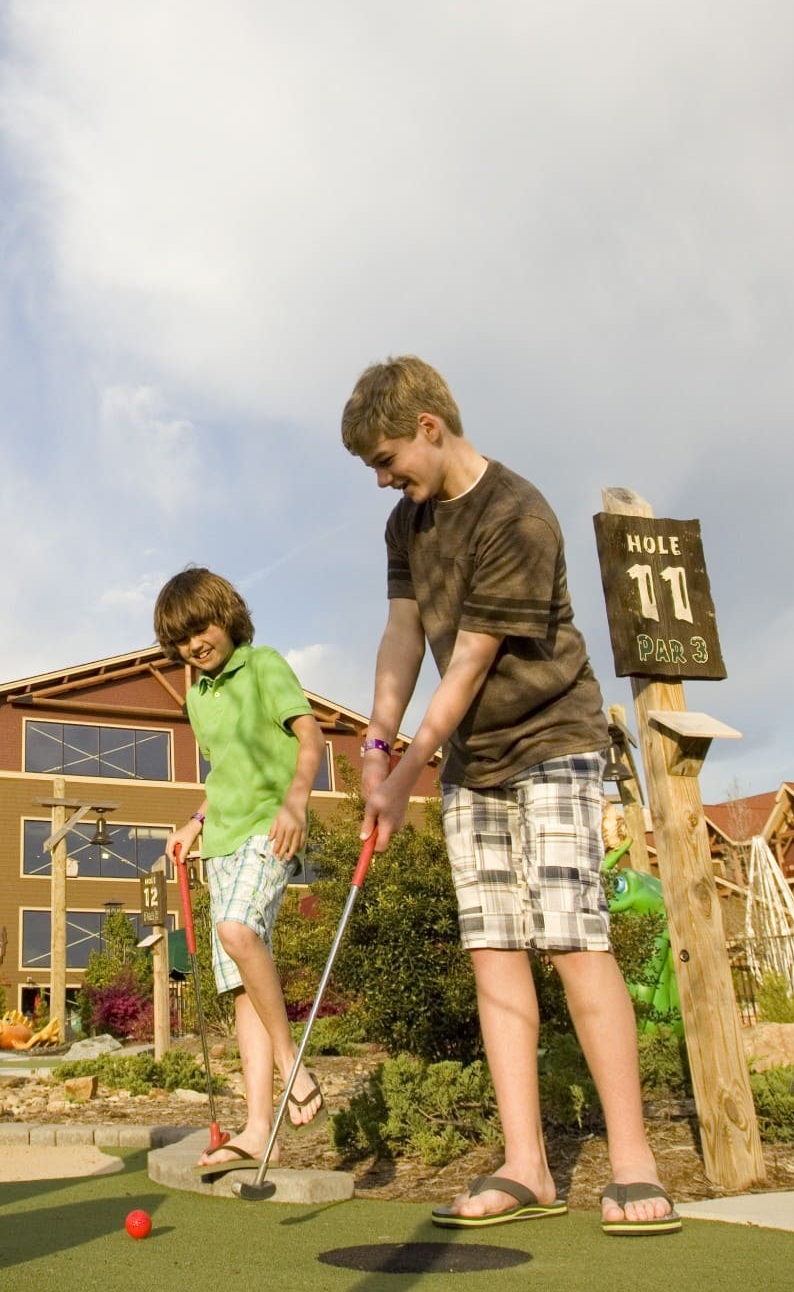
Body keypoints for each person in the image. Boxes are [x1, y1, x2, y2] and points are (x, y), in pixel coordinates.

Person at [344, 358, 677, 1233]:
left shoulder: (518, 513)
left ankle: (634, 1160)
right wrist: (377, 746)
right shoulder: (403, 523)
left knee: (570, 937)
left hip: (553, 742)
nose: (384, 479)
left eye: (386, 458)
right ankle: (527, 1163)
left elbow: (473, 657)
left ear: (428, 425)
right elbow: (404, 634)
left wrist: (411, 763)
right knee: (493, 946)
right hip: (473, 762)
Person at [156, 568, 328, 1175]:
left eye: (199, 628)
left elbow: (312, 741)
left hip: (270, 830)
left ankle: (290, 1061)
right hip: (221, 842)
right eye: (180, 640)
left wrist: (296, 802)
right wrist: (194, 823)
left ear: (224, 615)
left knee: (236, 931)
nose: (193, 645)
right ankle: (260, 1131)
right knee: (242, 989)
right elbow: (223, 775)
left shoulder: (264, 666)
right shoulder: (196, 699)